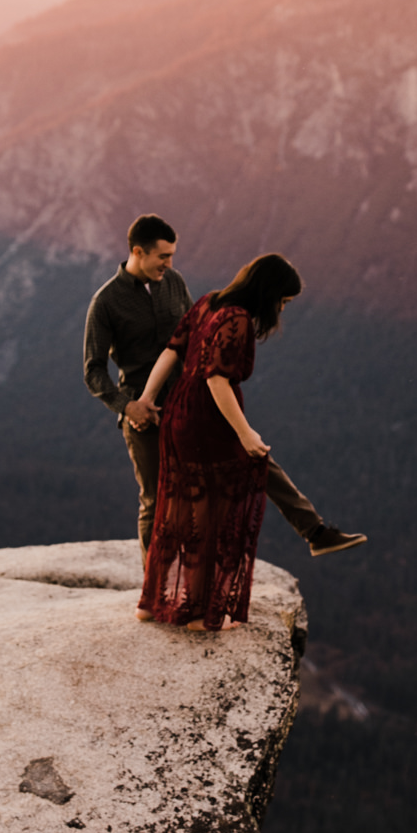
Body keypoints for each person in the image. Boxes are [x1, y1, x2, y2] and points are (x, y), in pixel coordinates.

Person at [83, 214, 365, 559]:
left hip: (192, 401)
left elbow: (188, 339)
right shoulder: (106, 302)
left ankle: (315, 531)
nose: (170, 264)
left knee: (254, 453)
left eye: (172, 255)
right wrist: (129, 407)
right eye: (163, 257)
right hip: (146, 415)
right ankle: (152, 587)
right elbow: (93, 371)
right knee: (157, 499)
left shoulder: (173, 282)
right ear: (138, 252)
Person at [136, 253, 298, 631]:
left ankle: (152, 602)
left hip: (178, 410)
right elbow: (217, 380)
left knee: (176, 508)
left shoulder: (209, 301)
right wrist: (246, 434)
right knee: (215, 511)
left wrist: (147, 398)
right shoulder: (238, 317)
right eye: (283, 301)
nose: (282, 308)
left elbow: (172, 350)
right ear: (269, 292)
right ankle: (196, 613)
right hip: (207, 420)